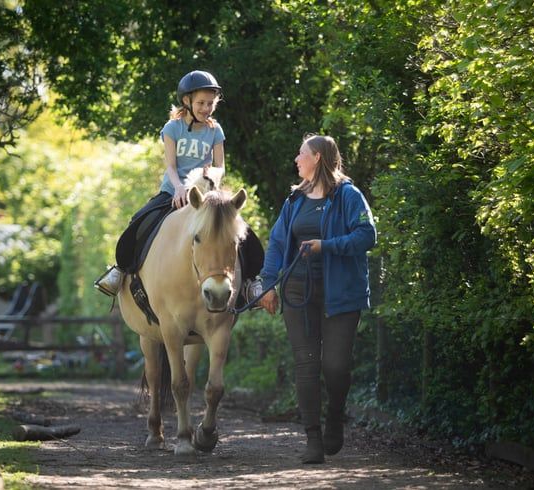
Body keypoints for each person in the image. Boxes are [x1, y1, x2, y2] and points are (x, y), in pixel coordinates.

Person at [257, 134, 376, 464]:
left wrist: (327, 246)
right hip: (298, 290)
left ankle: (335, 415)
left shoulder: (348, 196)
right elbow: (278, 244)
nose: (296, 159)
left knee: (335, 366)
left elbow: (368, 235)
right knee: (306, 365)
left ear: (319, 158)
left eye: (301, 154)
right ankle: (312, 437)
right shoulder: (294, 199)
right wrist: (268, 285)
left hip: (340, 293)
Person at [95, 70, 263, 299]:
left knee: (243, 232)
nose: (206, 108)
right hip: (173, 191)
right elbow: (171, 167)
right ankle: (120, 271)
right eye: (201, 103)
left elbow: (220, 165)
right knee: (139, 222)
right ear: (187, 101)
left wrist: (213, 177)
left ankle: (251, 283)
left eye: (210, 103)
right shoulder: (172, 128)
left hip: (207, 195)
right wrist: (179, 188)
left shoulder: (216, 130)